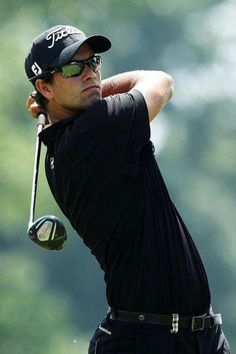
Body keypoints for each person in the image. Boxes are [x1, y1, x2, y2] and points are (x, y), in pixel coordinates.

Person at [25, 24, 230, 354]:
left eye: (93, 63)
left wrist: (63, 98)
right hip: (145, 340)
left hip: (193, 336)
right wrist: (95, 92)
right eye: (74, 68)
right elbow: (161, 83)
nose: (90, 74)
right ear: (44, 87)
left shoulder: (74, 138)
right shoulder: (94, 131)